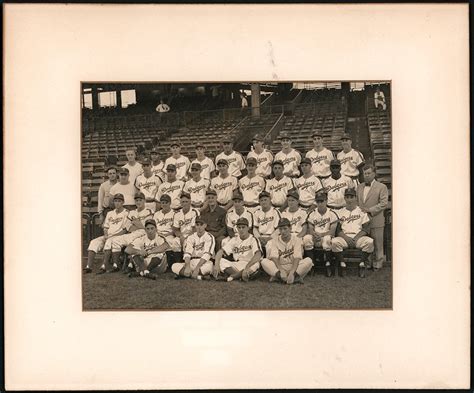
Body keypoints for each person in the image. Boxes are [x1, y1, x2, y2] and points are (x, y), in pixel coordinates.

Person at [331, 188, 374, 278]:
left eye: (351, 197)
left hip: (358, 238)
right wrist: (347, 238)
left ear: (355, 198)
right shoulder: (340, 212)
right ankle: (342, 264)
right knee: (334, 242)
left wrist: (356, 238)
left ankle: (361, 263)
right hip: (344, 238)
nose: (349, 199)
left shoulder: (361, 212)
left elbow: (366, 229)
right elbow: (338, 230)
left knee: (370, 242)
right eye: (347, 197)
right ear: (345, 198)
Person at [83, 193, 129, 274]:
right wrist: (105, 235)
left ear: (123, 202)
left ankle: (104, 266)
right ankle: (88, 267)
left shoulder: (126, 213)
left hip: (119, 236)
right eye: (115, 201)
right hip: (108, 235)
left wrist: (111, 237)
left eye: (119, 201)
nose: (117, 203)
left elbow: (125, 230)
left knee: (108, 242)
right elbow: (106, 227)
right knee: (94, 242)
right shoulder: (110, 213)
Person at [110, 192, 154, 273]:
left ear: (144, 201)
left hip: (143, 234)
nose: (138, 202)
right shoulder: (132, 212)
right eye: (136, 200)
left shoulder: (148, 211)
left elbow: (148, 227)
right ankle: (116, 265)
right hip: (132, 233)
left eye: (140, 200)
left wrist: (137, 223)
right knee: (115, 240)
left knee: (133, 243)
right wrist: (139, 225)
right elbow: (128, 227)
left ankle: (130, 265)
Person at [261, 218, 314, 284]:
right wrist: (281, 270)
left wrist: (292, 272)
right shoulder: (275, 240)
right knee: (264, 261)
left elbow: (297, 258)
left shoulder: (297, 239)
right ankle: (293, 278)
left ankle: (281, 278)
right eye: (280, 229)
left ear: (290, 228)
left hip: (294, 266)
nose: (283, 231)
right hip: (281, 266)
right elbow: (274, 257)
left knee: (308, 261)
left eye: (285, 228)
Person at [356, 164, 389, 271]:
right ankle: (367, 262)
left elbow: (384, 203)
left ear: (374, 174)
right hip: (363, 221)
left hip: (376, 219)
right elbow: (357, 202)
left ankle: (378, 264)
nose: (366, 175)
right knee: (366, 242)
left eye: (369, 173)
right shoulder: (359, 186)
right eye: (365, 173)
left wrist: (370, 210)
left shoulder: (381, 187)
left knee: (378, 242)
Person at [213, 217, 262, 282]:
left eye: (243, 227)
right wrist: (216, 265)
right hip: (238, 264)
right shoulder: (234, 239)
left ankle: (232, 277)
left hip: (250, 263)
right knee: (221, 261)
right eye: (239, 227)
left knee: (256, 265)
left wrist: (247, 267)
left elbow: (258, 255)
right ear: (237, 228)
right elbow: (221, 251)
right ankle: (239, 276)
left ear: (248, 228)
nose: (241, 229)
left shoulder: (253, 239)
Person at [304, 191, 339, 277]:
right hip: (315, 236)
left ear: (326, 201)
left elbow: (332, 231)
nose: (320, 203)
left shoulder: (332, 213)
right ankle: (311, 265)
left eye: (322, 201)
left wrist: (321, 235)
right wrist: (314, 234)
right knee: (307, 239)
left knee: (327, 240)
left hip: (327, 236)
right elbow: (310, 228)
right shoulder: (312, 213)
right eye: (318, 201)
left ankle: (328, 264)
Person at [152, 194, 182, 267]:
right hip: (158, 234)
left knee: (173, 243)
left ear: (170, 203)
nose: (164, 204)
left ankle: (176, 263)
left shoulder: (175, 213)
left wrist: (168, 234)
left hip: (169, 235)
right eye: (162, 202)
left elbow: (176, 228)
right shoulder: (156, 214)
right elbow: (153, 227)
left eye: (166, 202)